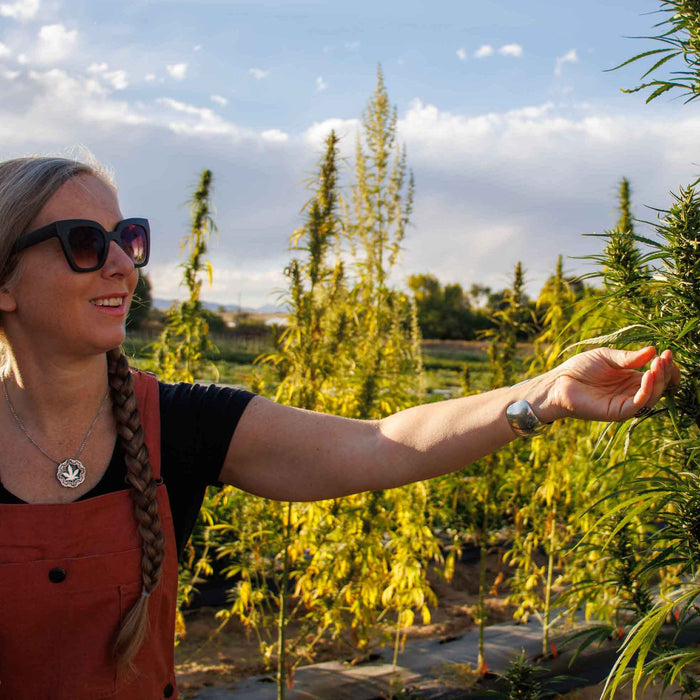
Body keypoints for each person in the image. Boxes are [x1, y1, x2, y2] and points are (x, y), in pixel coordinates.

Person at [0, 154, 680, 700]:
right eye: (85, 243)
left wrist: (548, 393)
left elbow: (375, 444)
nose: (124, 263)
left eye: (129, 238)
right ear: (5, 284)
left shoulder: (177, 423)